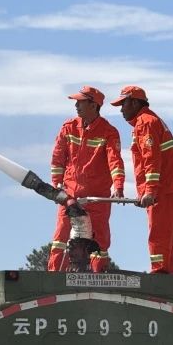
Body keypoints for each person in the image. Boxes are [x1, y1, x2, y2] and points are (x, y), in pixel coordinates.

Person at [48, 86, 125, 272]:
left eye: (80, 102)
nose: (76, 105)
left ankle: (98, 277)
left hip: (97, 197)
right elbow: (58, 157)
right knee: (61, 237)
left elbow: (115, 161)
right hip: (69, 194)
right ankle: (54, 277)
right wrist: (56, 183)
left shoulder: (108, 132)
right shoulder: (68, 127)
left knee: (99, 241)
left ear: (93, 105)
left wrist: (118, 186)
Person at [110, 85, 173, 273]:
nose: (121, 109)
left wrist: (150, 191)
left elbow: (151, 160)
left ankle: (160, 274)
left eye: (123, 104)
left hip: (162, 189)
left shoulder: (145, 123)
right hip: (165, 187)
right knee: (164, 234)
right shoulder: (148, 121)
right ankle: (164, 272)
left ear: (135, 103)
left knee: (158, 234)